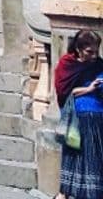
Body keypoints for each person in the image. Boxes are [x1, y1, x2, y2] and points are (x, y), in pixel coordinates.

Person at [55, 29, 103, 199]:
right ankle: (63, 194)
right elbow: (63, 92)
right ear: (78, 49)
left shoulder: (98, 65)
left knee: (92, 158)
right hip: (75, 117)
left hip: (95, 116)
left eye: (96, 51)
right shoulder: (66, 64)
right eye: (90, 51)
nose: (94, 55)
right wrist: (88, 89)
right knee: (72, 157)